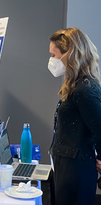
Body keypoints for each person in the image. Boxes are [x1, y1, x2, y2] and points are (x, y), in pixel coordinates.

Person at [48, 27, 101, 205]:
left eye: (54, 55)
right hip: (67, 164)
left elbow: (100, 129)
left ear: (70, 55)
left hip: (76, 170)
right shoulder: (75, 84)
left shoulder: (84, 89)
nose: (52, 60)